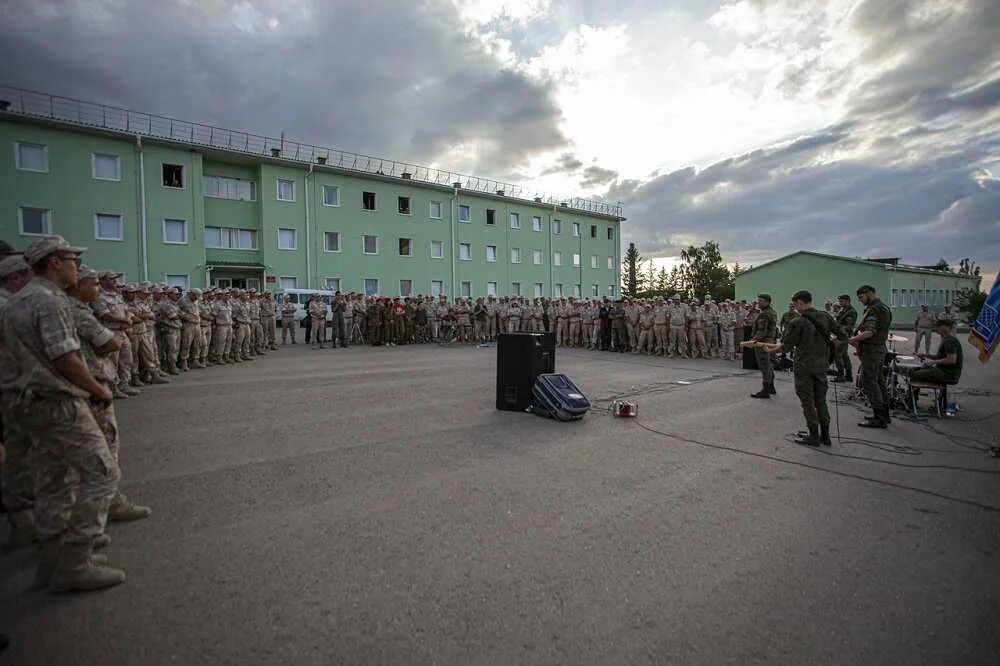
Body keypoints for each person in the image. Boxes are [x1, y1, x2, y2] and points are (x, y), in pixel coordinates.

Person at [0, 236, 125, 592]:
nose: (77, 265)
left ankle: (53, 559)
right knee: (103, 472)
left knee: (53, 476)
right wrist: (96, 388)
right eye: (72, 259)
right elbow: (65, 358)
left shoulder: (16, 302)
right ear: (54, 262)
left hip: (25, 401)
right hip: (55, 400)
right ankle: (75, 561)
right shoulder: (49, 301)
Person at [763, 291, 845, 446]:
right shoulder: (826, 316)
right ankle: (825, 436)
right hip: (822, 365)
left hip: (804, 366)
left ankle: (814, 436)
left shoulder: (797, 322)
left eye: (795, 304)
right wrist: (831, 349)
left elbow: (786, 347)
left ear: (800, 302)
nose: (794, 308)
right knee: (821, 400)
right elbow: (843, 336)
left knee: (807, 401)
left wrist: (771, 351)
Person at [0, 254, 37, 551]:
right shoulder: (7, 307)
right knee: (16, 457)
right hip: (12, 391)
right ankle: (24, 523)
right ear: (15, 279)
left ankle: (26, 522)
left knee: (18, 456)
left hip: (16, 389)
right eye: (29, 275)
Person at [849, 285, 893, 428]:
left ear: (869, 293)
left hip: (872, 350)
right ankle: (884, 414)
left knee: (869, 382)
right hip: (879, 349)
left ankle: (879, 417)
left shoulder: (874, 309)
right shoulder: (884, 307)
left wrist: (853, 340)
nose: (861, 301)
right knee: (879, 381)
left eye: (862, 297)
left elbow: (869, 332)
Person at [911, 318, 962, 409]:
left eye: (938, 326)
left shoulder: (950, 340)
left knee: (914, 374)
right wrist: (925, 355)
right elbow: (939, 356)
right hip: (944, 371)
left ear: (945, 327)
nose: (935, 328)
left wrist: (933, 362)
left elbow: (951, 360)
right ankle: (913, 400)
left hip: (948, 373)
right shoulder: (946, 339)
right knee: (918, 369)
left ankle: (912, 403)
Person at [748, 294, 778, 398]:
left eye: (760, 301)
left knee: (765, 366)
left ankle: (765, 391)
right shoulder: (772, 312)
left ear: (767, 302)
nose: (758, 303)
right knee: (769, 365)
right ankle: (771, 388)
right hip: (770, 342)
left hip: (762, 343)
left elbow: (762, 331)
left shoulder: (765, 314)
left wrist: (752, 341)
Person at [832, 294, 857, 383]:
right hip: (840, 335)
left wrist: (837, 327)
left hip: (843, 336)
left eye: (841, 301)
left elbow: (848, 326)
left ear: (847, 301)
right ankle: (849, 375)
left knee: (838, 355)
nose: (840, 303)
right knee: (844, 356)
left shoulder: (851, 312)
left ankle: (841, 375)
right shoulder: (844, 310)